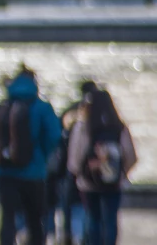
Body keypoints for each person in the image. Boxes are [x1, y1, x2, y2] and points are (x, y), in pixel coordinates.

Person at [0, 65, 62, 245]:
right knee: (35, 220)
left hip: (4, 173)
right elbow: (55, 135)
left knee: (7, 219)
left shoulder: (1, 107)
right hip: (34, 173)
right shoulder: (41, 107)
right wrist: (41, 155)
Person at [67, 90, 137, 245]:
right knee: (111, 219)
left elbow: (75, 157)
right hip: (113, 182)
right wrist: (121, 173)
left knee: (93, 218)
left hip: (89, 183)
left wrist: (81, 173)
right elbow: (131, 156)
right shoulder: (118, 127)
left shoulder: (83, 126)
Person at [53, 80, 98, 244]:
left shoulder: (71, 111)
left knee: (70, 203)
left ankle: (68, 235)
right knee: (89, 208)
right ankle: (85, 237)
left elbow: (58, 137)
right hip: (95, 169)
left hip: (72, 167)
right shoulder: (103, 112)